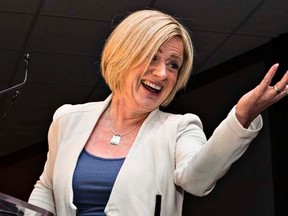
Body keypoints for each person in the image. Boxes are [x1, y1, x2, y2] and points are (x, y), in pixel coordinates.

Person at [28, 9, 288, 216]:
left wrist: (241, 116)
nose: (163, 74)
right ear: (123, 56)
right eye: (152, 57)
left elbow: (197, 180)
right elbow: (47, 186)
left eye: (173, 65)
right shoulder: (67, 120)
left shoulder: (180, 128)